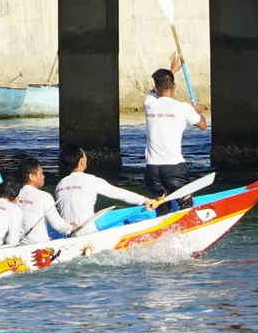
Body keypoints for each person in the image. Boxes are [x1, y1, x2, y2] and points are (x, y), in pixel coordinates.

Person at [144, 61, 207, 201]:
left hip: (152, 169)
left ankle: (162, 215)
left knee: (161, 202)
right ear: (175, 86)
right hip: (173, 166)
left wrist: (172, 70)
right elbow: (203, 125)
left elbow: (152, 92)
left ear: (156, 88)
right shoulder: (183, 108)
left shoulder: (149, 103)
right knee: (184, 200)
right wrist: (198, 112)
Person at [53, 142, 152, 227]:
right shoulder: (91, 180)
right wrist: (145, 200)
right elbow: (120, 194)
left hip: (68, 233)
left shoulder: (60, 185)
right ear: (81, 161)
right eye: (85, 156)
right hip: (88, 233)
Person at [9, 158, 75, 244]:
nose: (43, 176)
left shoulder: (13, 197)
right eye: (41, 173)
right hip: (39, 249)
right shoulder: (44, 196)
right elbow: (58, 225)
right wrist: (71, 227)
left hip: (18, 245)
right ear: (31, 177)